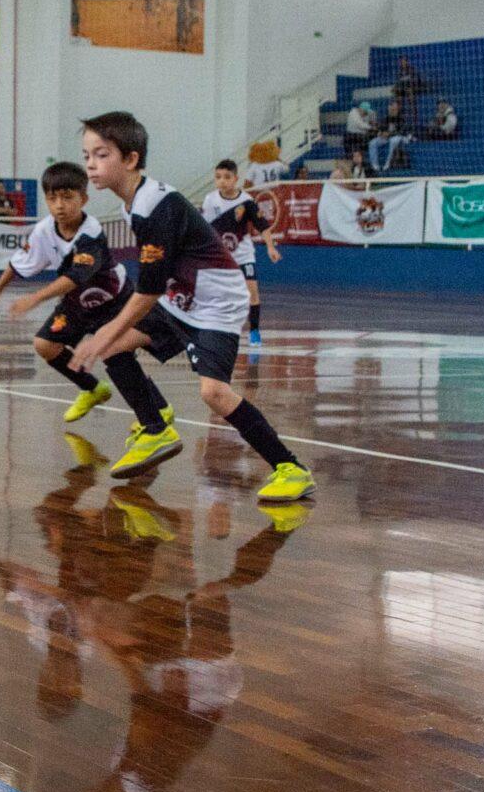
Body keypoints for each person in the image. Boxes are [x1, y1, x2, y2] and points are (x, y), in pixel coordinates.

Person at [65, 113, 312, 503]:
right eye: (86, 156)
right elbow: (154, 286)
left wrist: (103, 334)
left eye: (101, 154)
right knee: (114, 347)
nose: (91, 164)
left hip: (216, 304)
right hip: (181, 297)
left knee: (213, 393)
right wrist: (108, 337)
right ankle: (156, 426)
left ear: (130, 159)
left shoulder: (155, 206)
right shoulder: (134, 203)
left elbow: (148, 289)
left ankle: (291, 469)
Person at [0, 162, 132, 422]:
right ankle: (92, 388)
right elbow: (20, 261)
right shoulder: (44, 230)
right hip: (77, 302)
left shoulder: (91, 232)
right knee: (45, 344)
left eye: (67, 197)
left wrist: (35, 298)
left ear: (83, 198)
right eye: (52, 199)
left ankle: (154, 413)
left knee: (117, 355)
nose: (59, 205)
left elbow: (75, 276)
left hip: (112, 299)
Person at [203, 160, 281, 345]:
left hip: (243, 255)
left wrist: (270, 247)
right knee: (218, 294)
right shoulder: (210, 200)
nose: (222, 181)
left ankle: (254, 331)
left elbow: (263, 227)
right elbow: (205, 228)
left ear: (236, 179)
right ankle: (220, 328)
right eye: (218, 177)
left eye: (227, 177)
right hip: (221, 256)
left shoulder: (246, 201)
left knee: (252, 291)